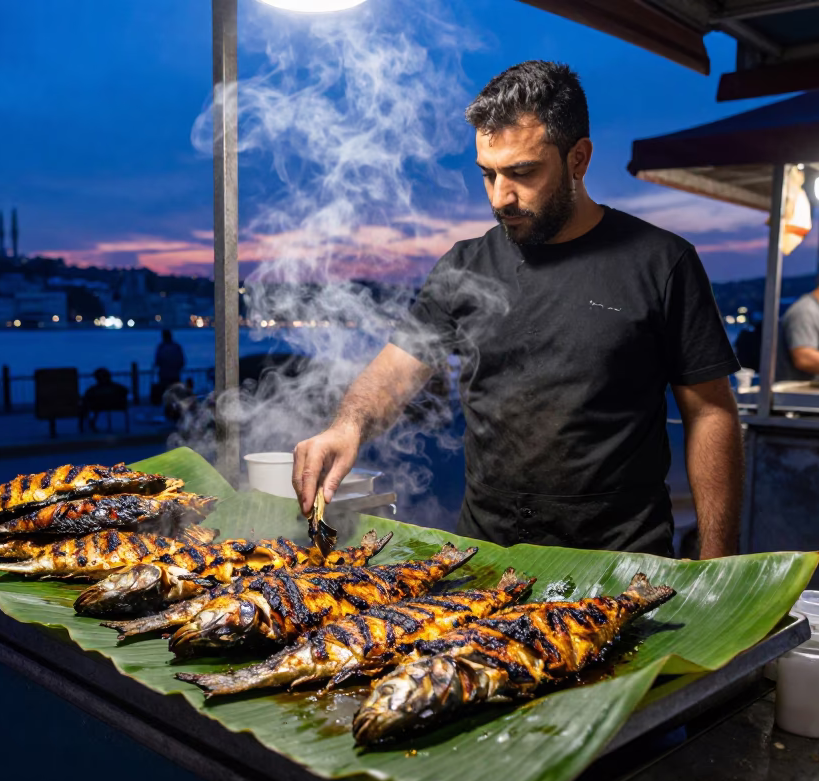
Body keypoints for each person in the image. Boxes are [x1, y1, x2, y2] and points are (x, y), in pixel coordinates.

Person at [293, 61, 744, 559]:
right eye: (488, 174)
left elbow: (710, 413)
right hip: (487, 556)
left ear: (578, 158)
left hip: (620, 559)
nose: (500, 197)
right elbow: (396, 373)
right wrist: (347, 425)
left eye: (522, 173)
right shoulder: (464, 265)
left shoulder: (661, 261)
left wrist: (718, 561)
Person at [78, 368, 128, 432]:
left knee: (86, 405)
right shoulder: (118, 387)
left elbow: (87, 396)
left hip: (99, 406)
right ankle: (90, 423)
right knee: (91, 404)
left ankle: (86, 424)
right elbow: (125, 391)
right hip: (115, 405)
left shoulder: (93, 389)